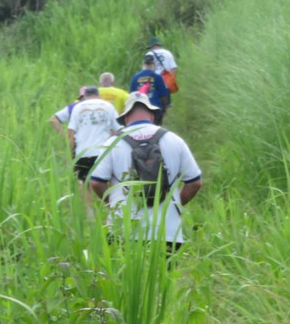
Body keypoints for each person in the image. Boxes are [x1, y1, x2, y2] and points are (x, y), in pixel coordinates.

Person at [89, 92, 202, 252]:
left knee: (123, 268)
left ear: (125, 118)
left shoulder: (112, 143)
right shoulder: (174, 140)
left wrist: (111, 204)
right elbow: (195, 182)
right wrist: (175, 205)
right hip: (167, 231)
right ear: (153, 115)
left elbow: (96, 182)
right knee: (166, 268)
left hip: (124, 229)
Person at [68, 86, 121, 213]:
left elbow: (71, 134)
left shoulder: (77, 108)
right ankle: (111, 211)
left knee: (85, 184)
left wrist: (70, 156)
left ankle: (90, 214)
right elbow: (119, 130)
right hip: (104, 152)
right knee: (106, 182)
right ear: (98, 95)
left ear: (85, 96)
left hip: (83, 152)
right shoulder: (108, 106)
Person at [129, 55, 170, 124]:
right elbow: (164, 96)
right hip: (155, 109)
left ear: (143, 63)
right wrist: (164, 110)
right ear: (153, 64)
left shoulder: (135, 77)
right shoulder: (158, 77)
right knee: (155, 129)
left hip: (141, 109)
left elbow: (132, 96)